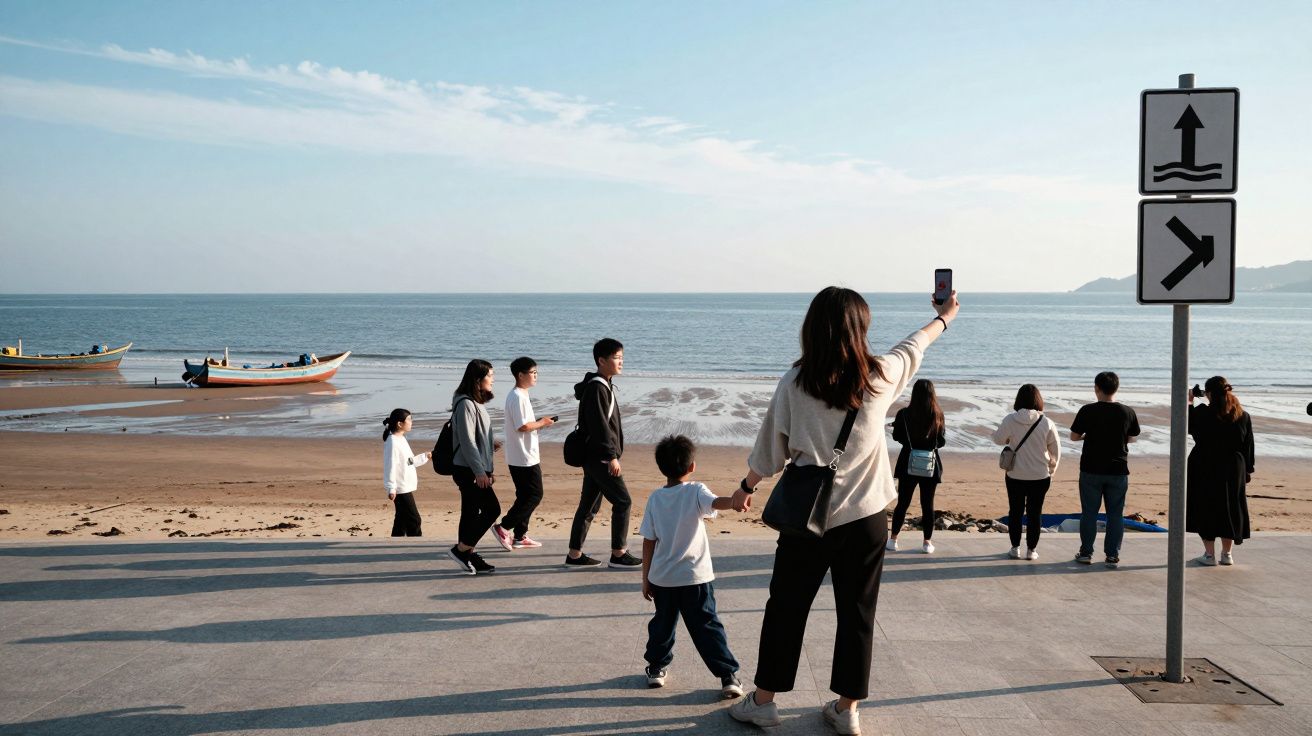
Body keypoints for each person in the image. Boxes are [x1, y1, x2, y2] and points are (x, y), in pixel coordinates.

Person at [728, 286, 960, 735]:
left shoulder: (795, 382)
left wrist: (745, 487)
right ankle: (846, 708)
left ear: (812, 328)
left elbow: (769, 451)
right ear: (862, 327)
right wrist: (946, 316)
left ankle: (764, 702)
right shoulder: (882, 375)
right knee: (857, 612)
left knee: (786, 608)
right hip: (867, 515)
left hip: (805, 517)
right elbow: (916, 343)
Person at [639, 435, 744, 699]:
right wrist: (735, 500)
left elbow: (648, 541)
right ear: (692, 466)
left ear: (661, 467)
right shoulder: (696, 490)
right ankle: (728, 676)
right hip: (695, 577)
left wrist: (645, 578)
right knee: (707, 626)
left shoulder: (655, 498)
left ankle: (656, 667)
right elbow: (716, 502)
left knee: (662, 624)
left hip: (662, 578)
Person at [565, 338, 642, 569]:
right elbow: (599, 426)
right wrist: (611, 456)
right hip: (600, 457)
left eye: (622, 357)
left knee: (588, 506)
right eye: (617, 358)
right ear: (601, 360)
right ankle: (619, 553)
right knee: (623, 501)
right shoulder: (598, 387)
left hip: (593, 456)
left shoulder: (602, 384)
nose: (621, 362)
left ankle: (574, 555)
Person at [1070, 371, 1141, 568]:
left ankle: (1086, 552)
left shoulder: (1087, 410)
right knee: (1115, 514)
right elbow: (1133, 437)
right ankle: (1112, 555)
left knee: (1090, 513)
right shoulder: (1127, 412)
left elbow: (1074, 437)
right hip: (1118, 469)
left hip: (1091, 469)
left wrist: (1088, 436)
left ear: (1096, 388)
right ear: (1116, 388)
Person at [1186, 376, 1255, 566]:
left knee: (1205, 506)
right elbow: (1248, 445)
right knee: (1230, 507)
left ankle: (1209, 555)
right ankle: (1227, 554)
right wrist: (1248, 469)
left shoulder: (1202, 413)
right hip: (1234, 466)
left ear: (1208, 394)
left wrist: (1190, 401)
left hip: (1205, 463)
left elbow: (1188, 426)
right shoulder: (1242, 415)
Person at [491, 357, 556, 551]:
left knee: (525, 495)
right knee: (535, 495)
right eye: (532, 372)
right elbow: (523, 426)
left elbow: (526, 424)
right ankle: (504, 527)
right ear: (520, 375)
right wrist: (543, 422)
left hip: (523, 454)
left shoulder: (521, 395)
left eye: (536, 372)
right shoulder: (518, 396)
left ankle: (520, 535)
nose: (536, 376)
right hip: (523, 457)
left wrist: (540, 424)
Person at [991, 384, 1061, 561]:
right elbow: (1056, 451)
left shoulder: (1010, 420)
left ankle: (1015, 548)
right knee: (1034, 513)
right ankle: (1031, 550)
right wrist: (1051, 471)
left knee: (1015, 511)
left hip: (1015, 475)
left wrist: (1007, 437)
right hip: (1040, 476)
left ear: (1018, 400)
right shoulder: (1046, 422)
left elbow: (998, 439)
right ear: (1038, 400)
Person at [447, 359, 503, 576]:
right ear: (478, 379)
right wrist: (480, 472)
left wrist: (489, 445)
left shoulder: (473, 402)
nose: (493, 379)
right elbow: (468, 441)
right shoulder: (466, 404)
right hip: (468, 469)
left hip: (473, 466)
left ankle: (468, 554)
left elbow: (474, 438)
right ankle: (461, 550)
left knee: (470, 512)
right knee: (492, 509)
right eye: (490, 375)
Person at [888, 379, 947, 554]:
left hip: (908, 460)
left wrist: (910, 441)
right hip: (930, 463)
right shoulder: (938, 415)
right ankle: (927, 542)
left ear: (914, 393)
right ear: (932, 394)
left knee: (902, 503)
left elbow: (897, 437)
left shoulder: (904, 414)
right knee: (927, 504)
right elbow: (941, 442)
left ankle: (893, 540)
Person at [382, 408, 430, 537]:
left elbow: (409, 461)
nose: (411, 422)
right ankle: (415, 546)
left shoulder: (401, 439)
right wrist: (391, 488)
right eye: (409, 419)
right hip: (400, 488)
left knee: (401, 520)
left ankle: (395, 544)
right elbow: (389, 466)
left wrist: (425, 456)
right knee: (414, 520)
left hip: (405, 485)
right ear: (399, 424)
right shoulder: (392, 442)